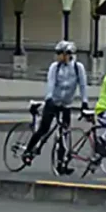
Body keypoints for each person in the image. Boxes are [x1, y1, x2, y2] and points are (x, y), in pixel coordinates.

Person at [23, 40, 90, 174]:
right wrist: (49, 98)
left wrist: (84, 102)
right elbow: (51, 83)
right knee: (44, 128)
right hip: (53, 101)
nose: (57, 56)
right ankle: (28, 151)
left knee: (64, 134)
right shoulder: (55, 67)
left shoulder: (78, 68)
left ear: (68, 54)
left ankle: (61, 164)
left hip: (66, 104)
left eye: (60, 53)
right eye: (57, 53)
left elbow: (83, 85)